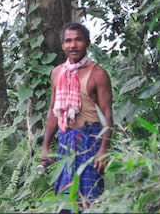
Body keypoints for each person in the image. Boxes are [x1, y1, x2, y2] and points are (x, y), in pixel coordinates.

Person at [40, 22, 113, 209]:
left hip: (90, 141)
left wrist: (103, 150)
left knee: (90, 198)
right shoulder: (57, 73)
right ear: (63, 45)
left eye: (78, 40)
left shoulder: (98, 74)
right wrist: (46, 146)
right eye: (68, 41)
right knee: (65, 198)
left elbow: (107, 113)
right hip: (65, 141)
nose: (73, 45)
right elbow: (53, 111)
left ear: (87, 42)